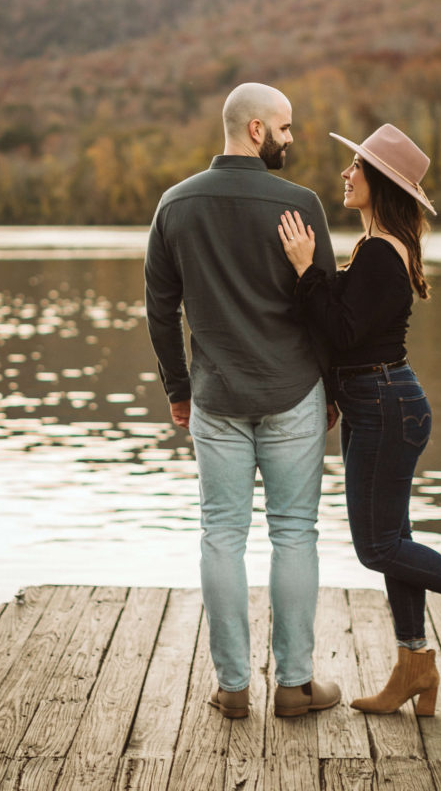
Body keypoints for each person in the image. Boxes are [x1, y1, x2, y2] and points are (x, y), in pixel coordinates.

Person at [277, 123, 441, 717]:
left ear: (380, 183)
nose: (346, 175)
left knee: (377, 549)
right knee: (394, 542)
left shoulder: (379, 251)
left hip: (383, 404)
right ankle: (415, 665)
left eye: (356, 168)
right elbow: (351, 332)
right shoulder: (381, 247)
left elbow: (342, 331)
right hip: (379, 401)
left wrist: (304, 269)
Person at [145, 82, 341, 720]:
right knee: (293, 535)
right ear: (256, 130)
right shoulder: (300, 204)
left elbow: (160, 310)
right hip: (293, 395)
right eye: (285, 127)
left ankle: (232, 688)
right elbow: (326, 308)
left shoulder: (174, 206)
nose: (291, 138)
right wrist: (333, 393)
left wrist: (179, 389)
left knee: (221, 537)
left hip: (217, 396)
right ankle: (295, 685)